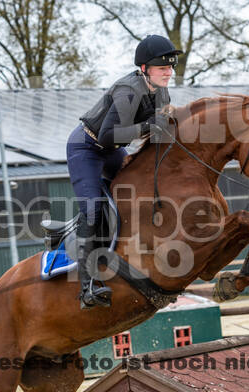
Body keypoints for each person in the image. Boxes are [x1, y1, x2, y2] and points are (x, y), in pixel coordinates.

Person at [66, 34, 183, 309]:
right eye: (162, 67)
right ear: (145, 68)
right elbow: (107, 137)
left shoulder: (161, 91)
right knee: (95, 210)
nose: (169, 72)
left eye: (171, 67)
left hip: (113, 149)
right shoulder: (129, 91)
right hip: (87, 148)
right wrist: (149, 126)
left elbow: (156, 132)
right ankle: (87, 286)